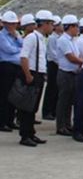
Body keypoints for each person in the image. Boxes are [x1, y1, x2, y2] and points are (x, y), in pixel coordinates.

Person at [18, 10, 54, 147]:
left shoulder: (41, 38)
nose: (52, 27)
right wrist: (28, 75)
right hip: (32, 73)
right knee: (28, 106)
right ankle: (25, 135)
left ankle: (30, 133)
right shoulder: (32, 37)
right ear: (44, 24)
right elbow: (24, 57)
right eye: (50, 24)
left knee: (33, 106)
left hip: (38, 74)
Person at [56, 14, 83, 137]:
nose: (77, 29)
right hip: (65, 73)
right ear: (70, 27)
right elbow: (71, 57)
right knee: (63, 101)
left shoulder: (73, 40)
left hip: (73, 73)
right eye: (76, 26)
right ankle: (61, 126)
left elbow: (78, 55)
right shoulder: (63, 40)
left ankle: (67, 124)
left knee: (69, 101)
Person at [0, 11, 23, 132]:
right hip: (6, 66)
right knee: (4, 94)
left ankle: (10, 120)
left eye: (14, 24)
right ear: (4, 24)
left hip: (16, 67)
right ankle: (2, 122)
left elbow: (23, 45)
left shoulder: (16, 34)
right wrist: (19, 49)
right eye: (10, 24)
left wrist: (17, 37)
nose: (13, 26)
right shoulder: (1, 36)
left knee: (14, 94)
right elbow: (9, 50)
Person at [42, 15, 63, 121]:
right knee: (51, 88)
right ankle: (47, 111)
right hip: (53, 64)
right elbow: (53, 54)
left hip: (58, 64)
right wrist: (61, 63)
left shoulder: (59, 37)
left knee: (56, 89)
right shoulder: (52, 38)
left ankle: (53, 110)